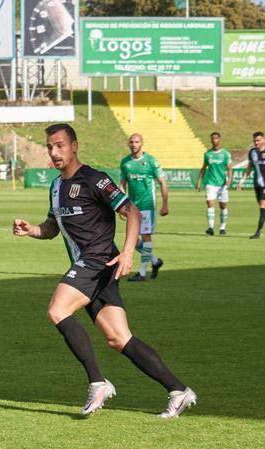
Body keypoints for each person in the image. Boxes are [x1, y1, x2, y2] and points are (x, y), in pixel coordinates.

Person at [12, 123, 196, 418]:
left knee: (58, 310)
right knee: (119, 338)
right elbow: (51, 228)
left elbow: (131, 211)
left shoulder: (94, 180)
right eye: (50, 147)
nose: (54, 152)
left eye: (60, 145)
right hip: (93, 266)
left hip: (98, 260)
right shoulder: (56, 186)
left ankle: (98, 382)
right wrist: (31, 229)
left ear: (74, 146)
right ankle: (179, 390)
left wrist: (127, 252)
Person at [118, 133, 168, 281]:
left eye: (137, 142)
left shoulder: (151, 161)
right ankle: (155, 261)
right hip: (132, 207)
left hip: (147, 205)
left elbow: (163, 182)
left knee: (145, 236)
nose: (134, 144)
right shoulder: (125, 162)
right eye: (131, 142)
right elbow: (122, 185)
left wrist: (165, 205)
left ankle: (142, 272)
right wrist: (120, 206)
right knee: (131, 240)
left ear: (142, 143)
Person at [196, 132, 233, 235]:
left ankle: (222, 228)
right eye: (212, 138)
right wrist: (199, 182)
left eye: (216, 138)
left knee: (223, 205)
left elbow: (230, 168)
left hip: (222, 184)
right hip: (211, 183)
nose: (214, 140)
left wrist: (229, 179)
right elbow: (203, 168)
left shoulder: (225, 153)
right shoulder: (208, 154)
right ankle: (211, 227)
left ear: (219, 139)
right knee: (210, 203)